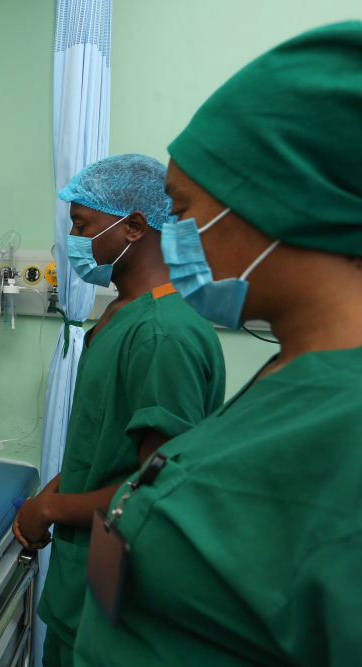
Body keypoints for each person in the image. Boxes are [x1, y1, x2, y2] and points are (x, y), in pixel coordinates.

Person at [73, 22, 362, 665]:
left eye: (181, 209)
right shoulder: (290, 372)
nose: (176, 233)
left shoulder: (345, 431)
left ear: (280, 198)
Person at [13, 154, 227, 663]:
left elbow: (159, 489)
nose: (73, 240)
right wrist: (54, 490)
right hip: (83, 587)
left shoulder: (162, 334)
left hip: (121, 604)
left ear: (133, 226)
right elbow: (105, 444)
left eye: (82, 226)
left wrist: (48, 509)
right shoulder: (121, 313)